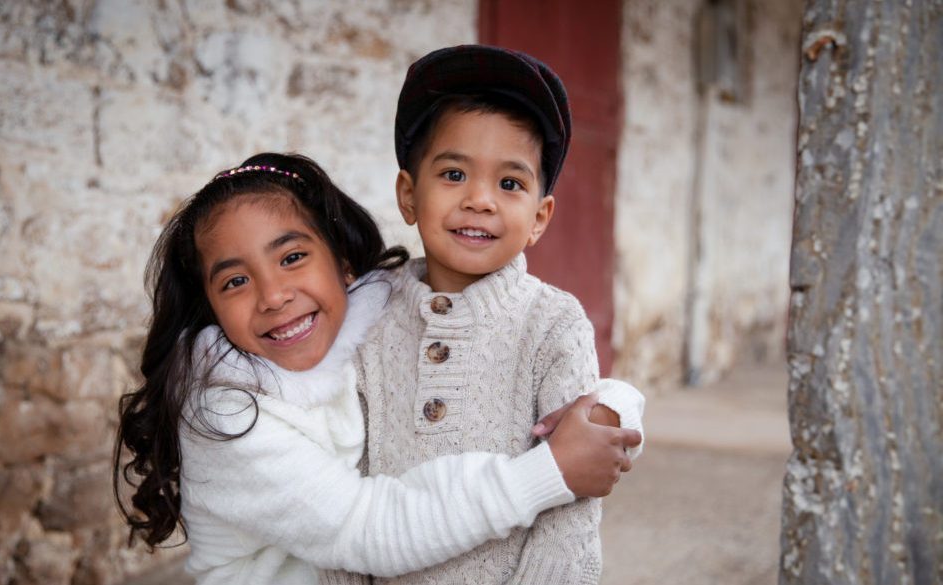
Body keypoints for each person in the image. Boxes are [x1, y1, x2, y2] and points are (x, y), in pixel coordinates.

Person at [112, 152, 642, 585]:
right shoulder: (228, 412)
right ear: (210, 306)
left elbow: (505, 349)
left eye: (292, 257)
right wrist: (548, 472)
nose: (274, 296)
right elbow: (369, 529)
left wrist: (609, 407)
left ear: (342, 261)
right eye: (234, 281)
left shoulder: (371, 321)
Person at [330, 45, 646, 585]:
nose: (480, 200)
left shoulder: (553, 326)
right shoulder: (367, 316)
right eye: (453, 174)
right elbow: (342, 493)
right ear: (409, 194)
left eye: (510, 183)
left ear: (539, 217)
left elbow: (571, 504)